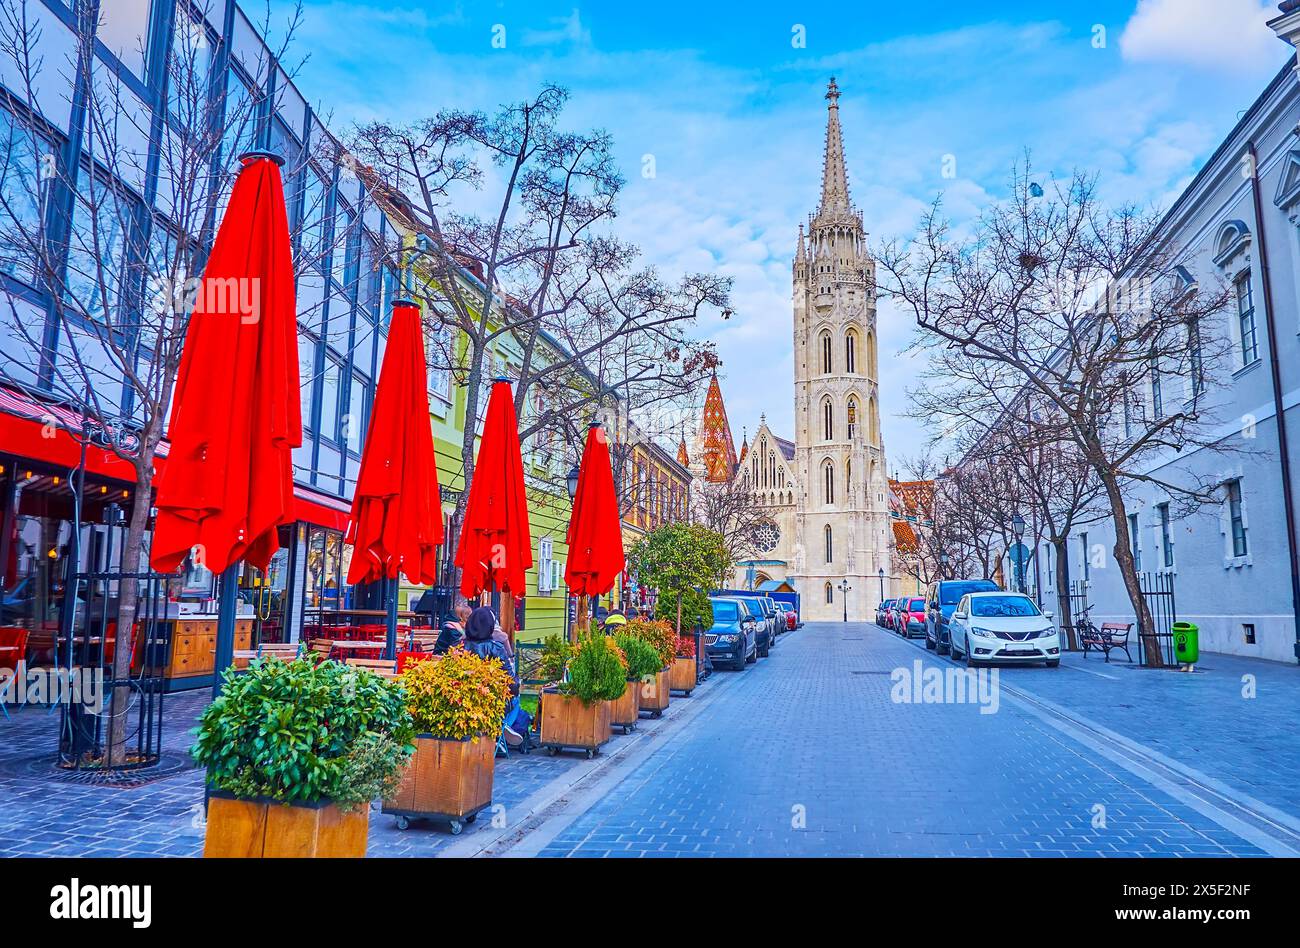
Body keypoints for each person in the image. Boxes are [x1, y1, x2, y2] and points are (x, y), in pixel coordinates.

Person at [464, 606, 527, 753]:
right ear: (490, 627)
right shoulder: (496, 648)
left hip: (467, 700)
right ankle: (500, 729)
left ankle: (500, 730)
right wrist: (507, 648)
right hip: (492, 702)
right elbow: (511, 682)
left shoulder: (459, 645)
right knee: (516, 698)